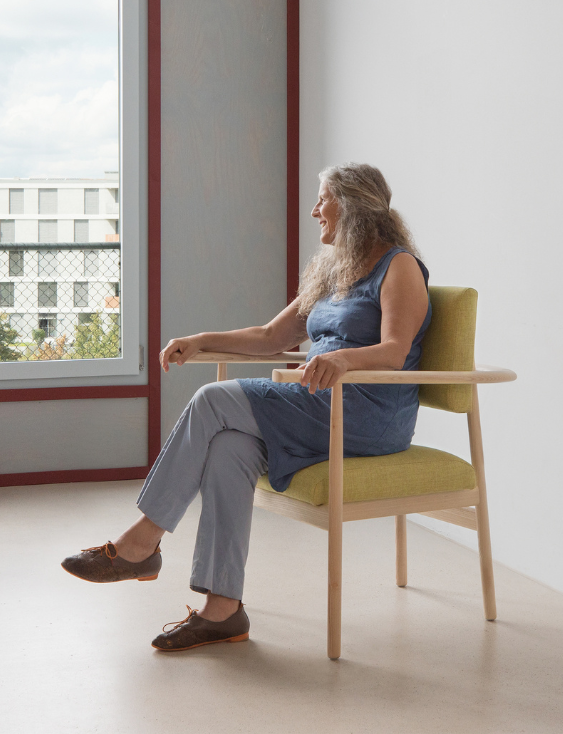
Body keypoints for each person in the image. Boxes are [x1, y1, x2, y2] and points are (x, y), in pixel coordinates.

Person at [61, 163, 431, 651]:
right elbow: (271, 336)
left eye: (323, 199)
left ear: (353, 205)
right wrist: (201, 339)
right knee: (229, 450)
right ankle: (223, 611)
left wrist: (342, 358)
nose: (315, 210)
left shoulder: (399, 266)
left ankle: (142, 542)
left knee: (213, 399)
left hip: (368, 413)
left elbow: (395, 351)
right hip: (320, 404)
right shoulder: (335, 270)